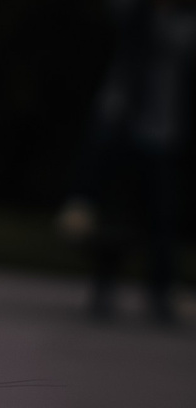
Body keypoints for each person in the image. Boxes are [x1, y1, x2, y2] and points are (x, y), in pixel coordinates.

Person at [58, 0, 196, 322]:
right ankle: (104, 286)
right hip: (120, 123)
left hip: (161, 131)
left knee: (161, 216)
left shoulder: (184, 21)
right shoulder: (134, 11)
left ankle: (160, 292)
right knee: (113, 215)